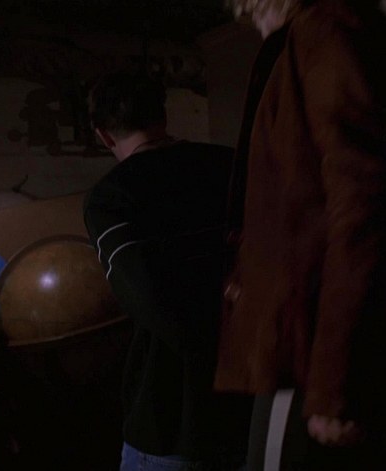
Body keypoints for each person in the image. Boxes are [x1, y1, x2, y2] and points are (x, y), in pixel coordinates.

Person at [214, 0, 386, 469]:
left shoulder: (325, 32)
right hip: (328, 338)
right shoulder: (332, 32)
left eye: (255, 14)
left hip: (317, 344)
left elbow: (365, 201)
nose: (258, 29)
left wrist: (334, 378)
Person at [83, 71, 253, 471]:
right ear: (162, 115)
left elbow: (150, 302)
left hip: (173, 418)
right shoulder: (232, 165)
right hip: (251, 404)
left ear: (104, 135)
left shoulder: (111, 197)